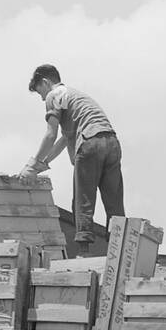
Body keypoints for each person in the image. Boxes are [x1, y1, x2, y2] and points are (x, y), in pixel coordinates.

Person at [21, 64, 124, 252]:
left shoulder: (54, 95)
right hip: (112, 143)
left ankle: (83, 253)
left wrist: (31, 165)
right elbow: (63, 140)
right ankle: (118, 252)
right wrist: (40, 165)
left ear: (45, 82)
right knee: (114, 204)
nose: (42, 98)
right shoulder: (77, 97)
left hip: (90, 143)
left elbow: (50, 135)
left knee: (83, 200)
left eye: (40, 93)